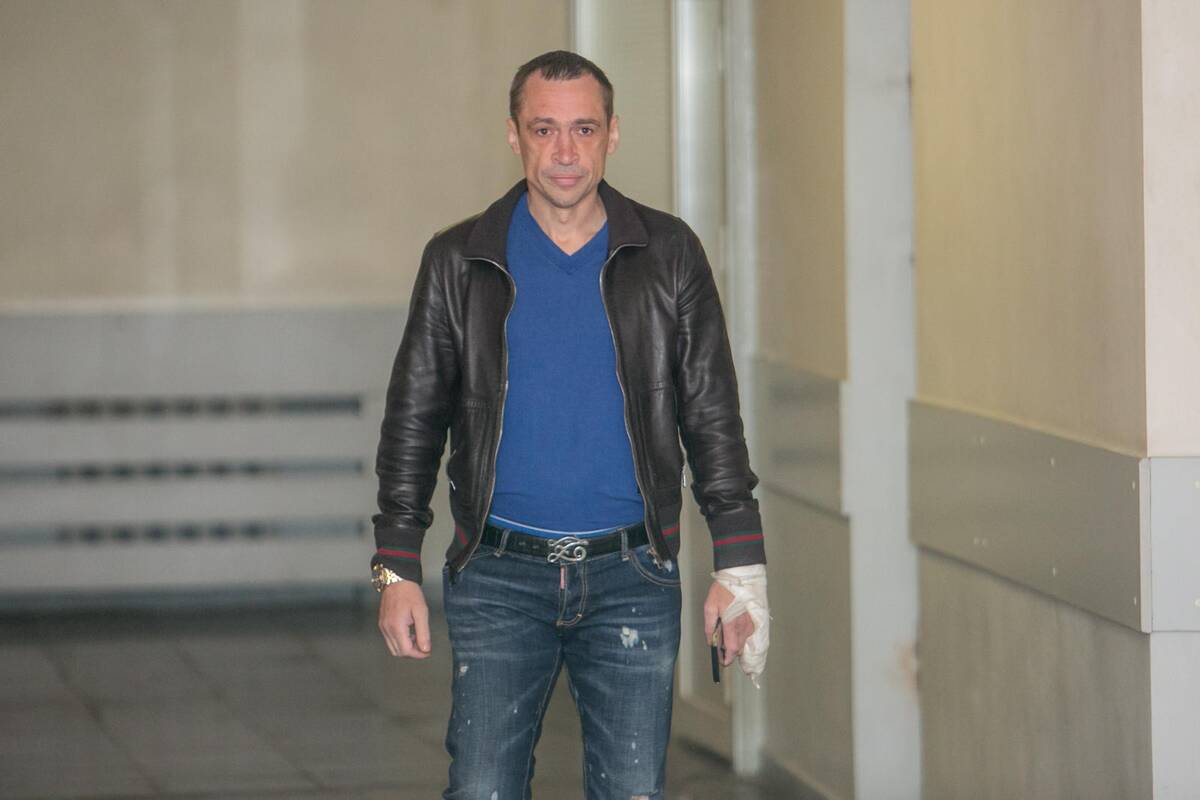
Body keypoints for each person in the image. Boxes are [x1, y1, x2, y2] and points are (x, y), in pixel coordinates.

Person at [369, 50, 769, 800]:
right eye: (543, 129)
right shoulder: (459, 260)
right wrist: (395, 568)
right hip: (496, 575)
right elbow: (413, 421)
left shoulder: (668, 254)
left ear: (612, 134)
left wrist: (740, 564)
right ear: (513, 135)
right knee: (482, 789)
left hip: (633, 575)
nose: (564, 152)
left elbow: (712, 412)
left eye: (583, 129)